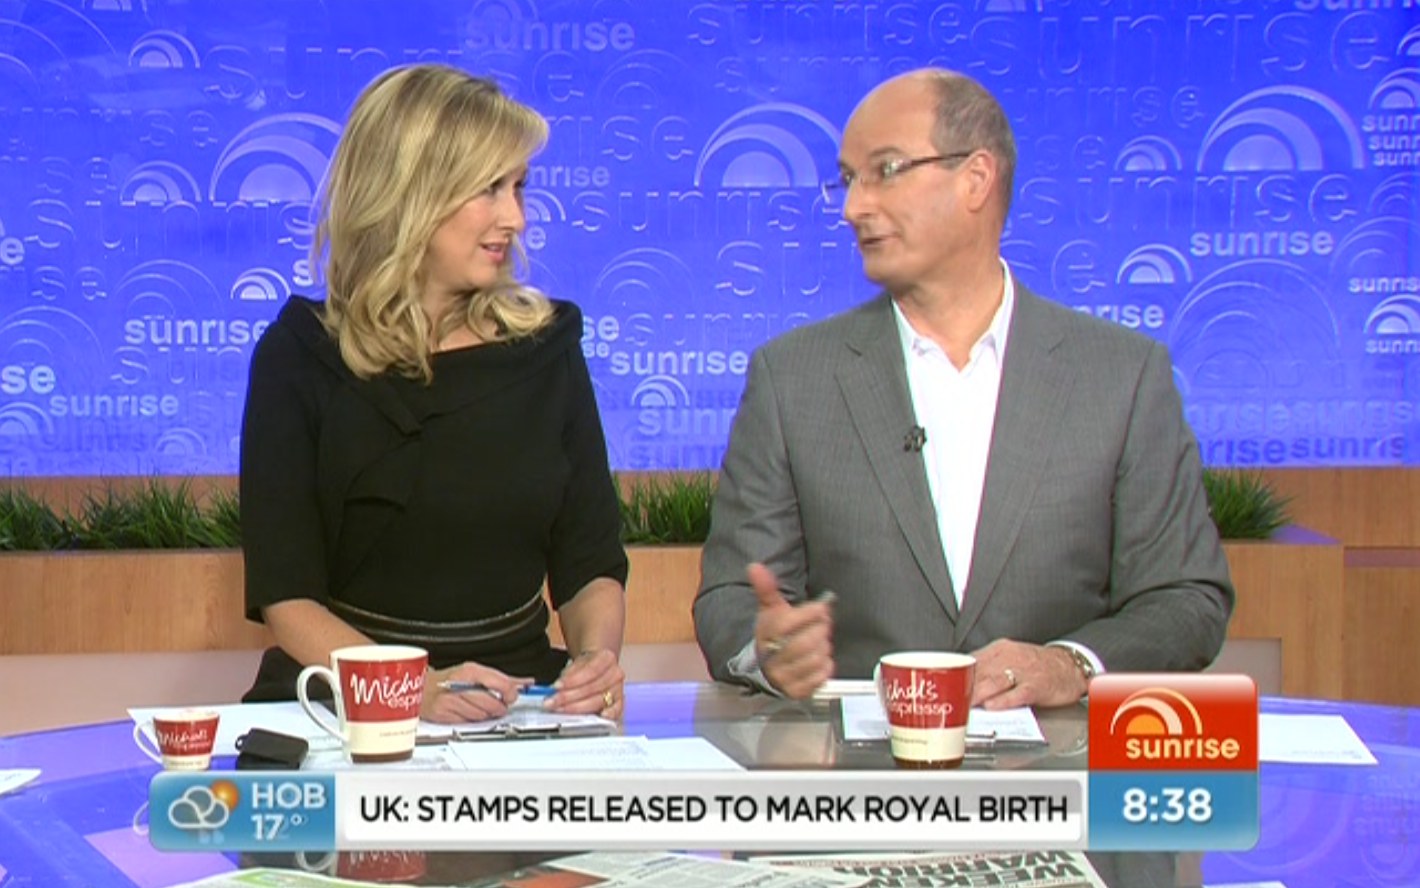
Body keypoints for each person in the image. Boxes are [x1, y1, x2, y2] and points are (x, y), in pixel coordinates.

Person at [693, 68, 1234, 708]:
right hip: (858, 763)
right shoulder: (792, 378)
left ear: (976, 179)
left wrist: (1069, 664)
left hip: (1060, 760)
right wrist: (769, 651)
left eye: (885, 170)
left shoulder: (1122, 375)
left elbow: (1185, 598)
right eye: (848, 179)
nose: (853, 207)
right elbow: (731, 597)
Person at [239, 64, 628, 723]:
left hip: (518, 702)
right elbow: (288, 597)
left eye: (518, 187)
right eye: (489, 189)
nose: (515, 217)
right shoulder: (301, 357)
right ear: (410, 193)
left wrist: (595, 661)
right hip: (347, 704)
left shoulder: (548, 348)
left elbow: (589, 562)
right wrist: (410, 691)